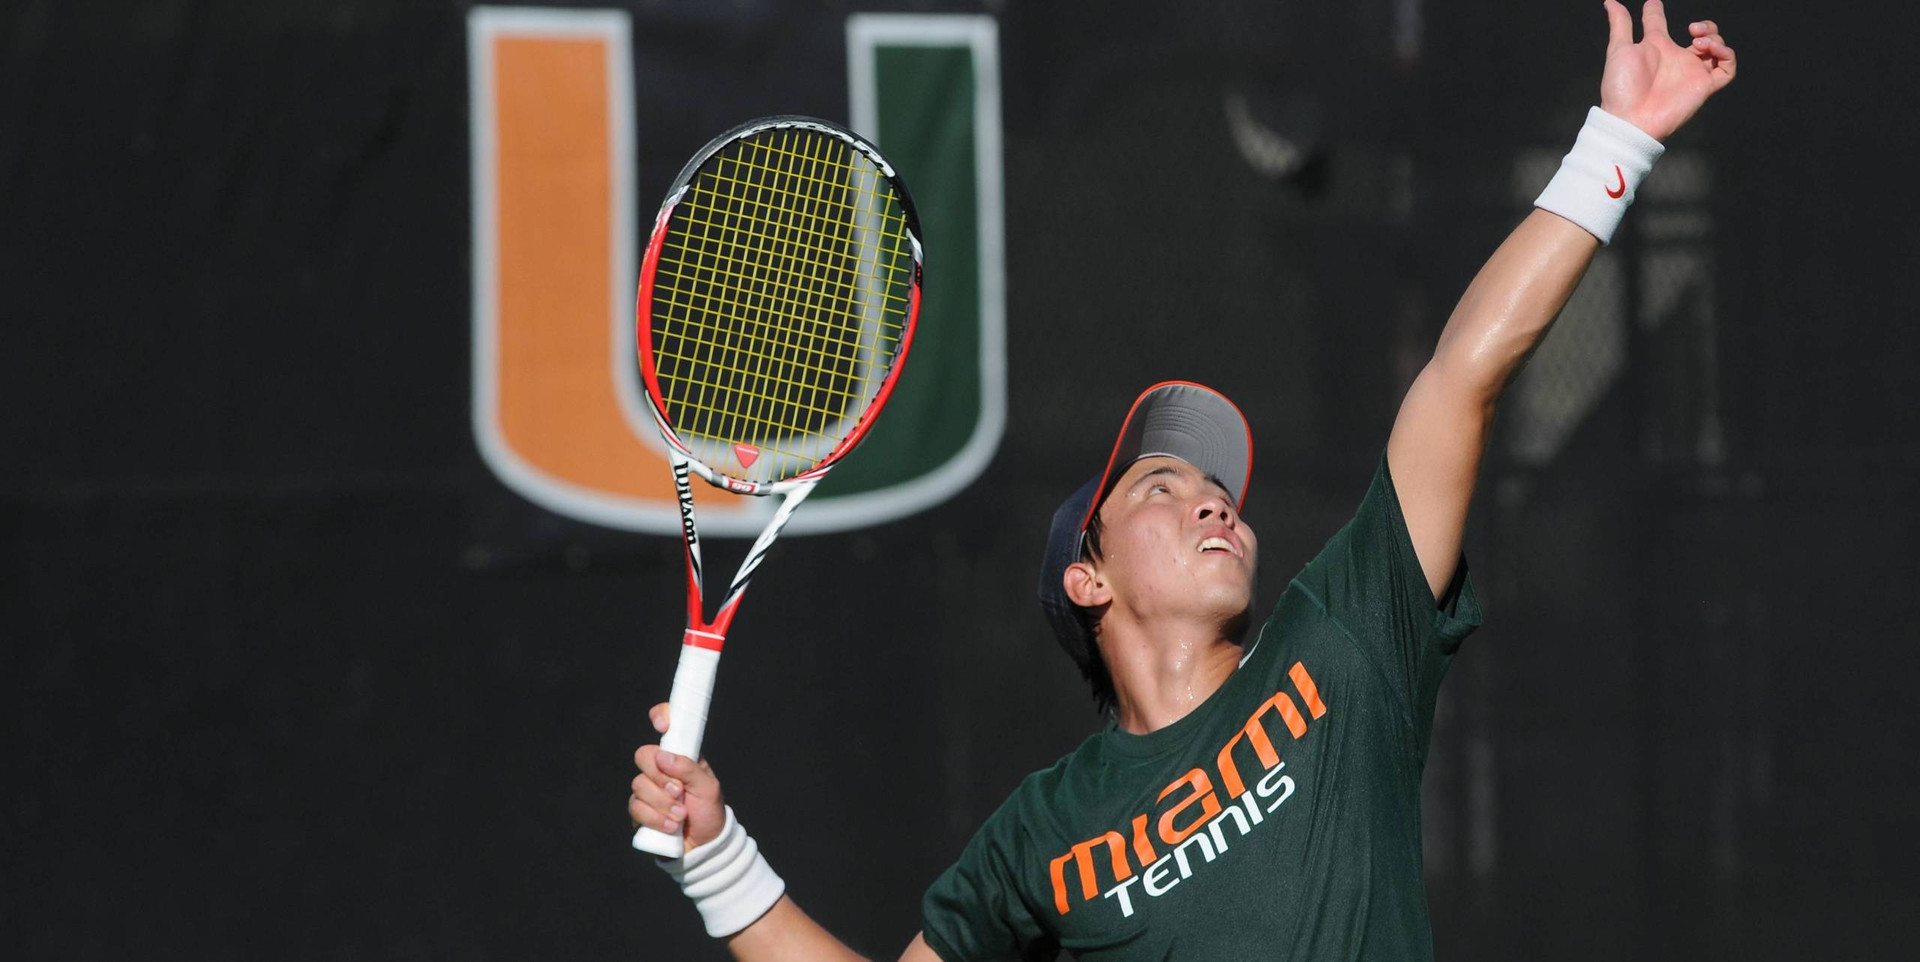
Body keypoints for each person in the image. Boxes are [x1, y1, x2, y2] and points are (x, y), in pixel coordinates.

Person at [629, 3, 1736, 958]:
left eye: (1217, 490)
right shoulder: (1044, 831)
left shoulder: (1346, 645)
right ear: (1087, 578)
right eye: (1160, 485)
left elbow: (1461, 378)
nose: (1217, 499)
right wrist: (718, 857)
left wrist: (1618, 143)